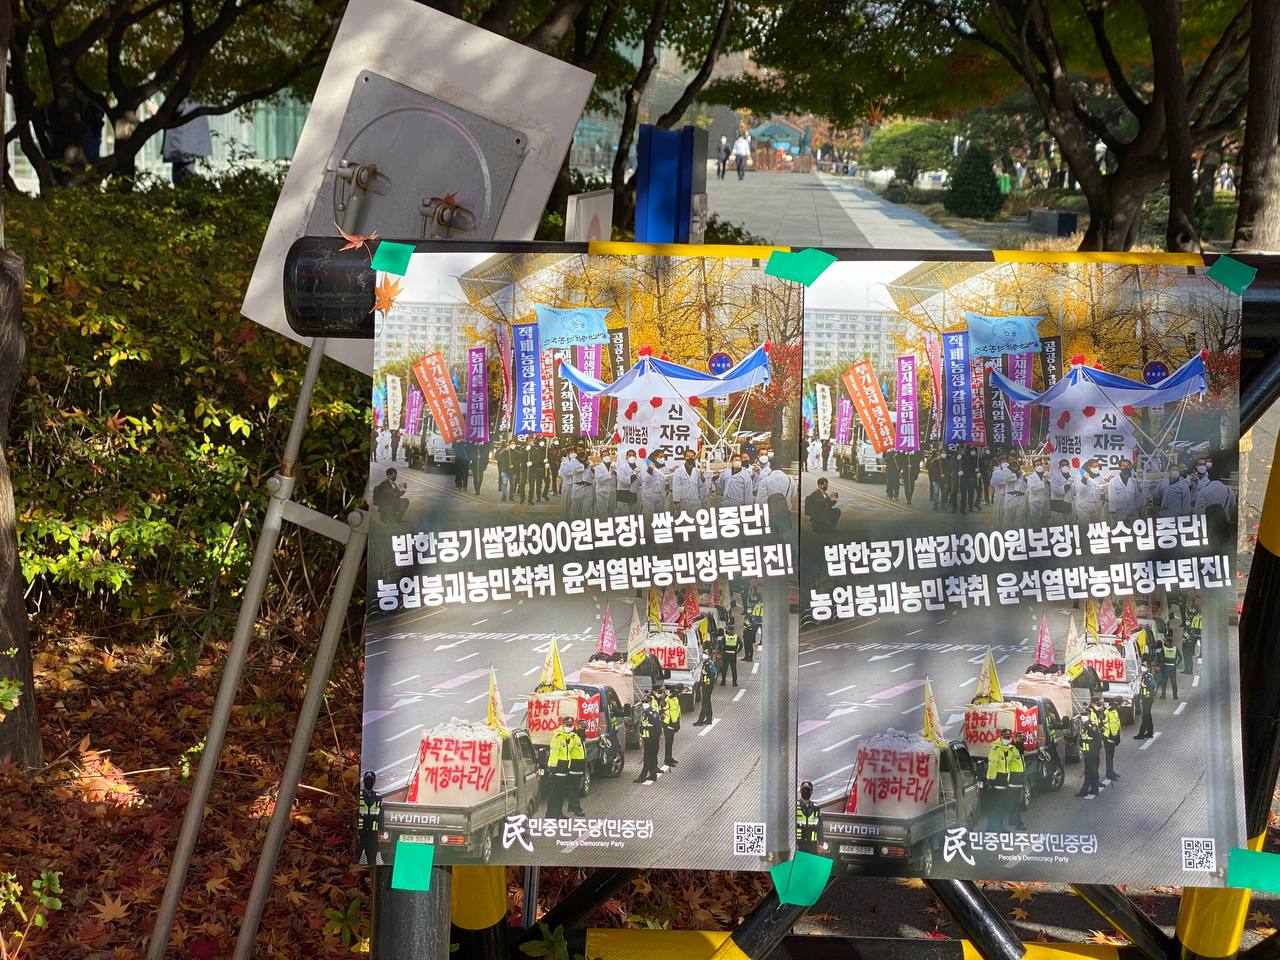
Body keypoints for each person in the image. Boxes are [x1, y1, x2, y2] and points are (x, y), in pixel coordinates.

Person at [984, 728, 1025, 830]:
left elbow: (1010, 763)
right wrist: (991, 781)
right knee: (996, 806)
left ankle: (997, 827)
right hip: (997, 781)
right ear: (1001, 736)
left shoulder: (1009, 749)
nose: (1007, 739)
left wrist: (1019, 746)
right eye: (1005, 737)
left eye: (1008, 737)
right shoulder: (996, 749)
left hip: (1005, 781)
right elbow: (992, 765)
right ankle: (993, 828)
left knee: (1000, 806)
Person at [546, 716, 585, 815]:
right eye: (567, 725)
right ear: (563, 724)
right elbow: (554, 753)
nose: (568, 727)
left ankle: (556, 813)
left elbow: (570, 753)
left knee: (560, 792)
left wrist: (568, 767)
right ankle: (554, 813)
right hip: (558, 768)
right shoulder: (558, 737)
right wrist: (552, 767)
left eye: (570, 725)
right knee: (557, 792)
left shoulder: (571, 737)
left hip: (565, 768)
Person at [358, 771, 384, 866]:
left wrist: (381, 832)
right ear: (363, 781)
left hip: (373, 834)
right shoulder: (359, 795)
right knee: (355, 859)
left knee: (372, 862)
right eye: (367, 780)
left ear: (374, 782)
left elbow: (381, 815)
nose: (369, 782)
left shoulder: (378, 797)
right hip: (359, 833)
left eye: (371, 780)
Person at [1106, 458, 1141, 523]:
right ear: (1120, 468)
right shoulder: (1113, 481)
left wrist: (1139, 509)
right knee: (1120, 528)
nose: (1126, 467)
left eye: (1128, 466)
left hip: (1132, 510)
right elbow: (1112, 497)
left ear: (1130, 467)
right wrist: (1112, 511)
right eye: (1123, 466)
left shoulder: (1134, 481)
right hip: (1119, 511)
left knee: (1133, 528)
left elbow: (1137, 496)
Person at [634, 703, 661, 784]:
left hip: (651, 740)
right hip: (650, 739)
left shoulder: (649, 715)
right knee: (652, 758)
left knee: (647, 758)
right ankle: (653, 775)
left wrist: (656, 737)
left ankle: (642, 776)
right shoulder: (652, 714)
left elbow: (657, 727)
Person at [1076, 715, 1102, 798]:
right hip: (1088, 754)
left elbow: (1098, 742)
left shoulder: (1092, 728)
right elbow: (1082, 740)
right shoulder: (1086, 728)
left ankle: (1086, 790)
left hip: (1092, 755)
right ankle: (1093, 789)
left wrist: (1094, 752)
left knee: (1090, 773)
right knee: (1090, 773)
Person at [1074, 459, 1107, 525]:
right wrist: (1084, 479)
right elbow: (1079, 490)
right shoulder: (1080, 475)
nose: (1097, 468)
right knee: (1084, 526)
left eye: (1098, 466)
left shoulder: (1098, 476)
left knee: (1096, 525)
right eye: (1095, 466)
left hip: (1096, 506)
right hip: (1083, 506)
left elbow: (1102, 488)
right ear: (1089, 467)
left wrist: (1107, 482)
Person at [796, 781, 822, 854]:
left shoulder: (816, 807)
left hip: (812, 843)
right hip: (798, 841)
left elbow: (820, 826)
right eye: (804, 790)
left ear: (811, 792)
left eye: (808, 790)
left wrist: (820, 843)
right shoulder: (795, 806)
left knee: (811, 860)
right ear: (800, 792)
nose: (806, 792)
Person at [1134, 664, 1157, 740]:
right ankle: (1150, 732)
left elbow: (1152, 687)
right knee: (1148, 715)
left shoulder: (1148, 677)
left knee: (1145, 716)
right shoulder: (1143, 677)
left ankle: (1141, 734)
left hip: (1148, 699)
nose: (1142, 671)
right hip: (1145, 699)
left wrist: (1148, 695)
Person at [661, 685, 681, 768]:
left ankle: (670, 757)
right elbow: (664, 704)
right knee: (668, 743)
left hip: (673, 724)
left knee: (670, 742)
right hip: (668, 724)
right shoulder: (667, 699)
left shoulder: (675, 699)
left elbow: (677, 711)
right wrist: (670, 696)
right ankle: (667, 760)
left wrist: (678, 723)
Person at [693, 655, 716, 725]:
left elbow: (705, 675)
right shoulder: (710, 663)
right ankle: (709, 719)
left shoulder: (706, 666)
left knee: (704, 703)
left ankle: (700, 721)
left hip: (707, 686)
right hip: (709, 685)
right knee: (708, 702)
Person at [1027, 458, 1051, 526]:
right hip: (1035, 502)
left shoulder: (1047, 475)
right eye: (1037, 465)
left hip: (1045, 501)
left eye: (1040, 464)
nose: (1039, 466)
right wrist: (1043, 482)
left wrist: (1049, 482)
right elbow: (1032, 488)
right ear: (1034, 467)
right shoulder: (1030, 477)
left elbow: (1051, 488)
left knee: (1045, 522)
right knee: (1036, 523)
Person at [1102, 701, 1121, 784]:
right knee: (1109, 756)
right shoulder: (1113, 712)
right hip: (1110, 737)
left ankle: (1111, 771)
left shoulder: (1111, 709)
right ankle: (1109, 774)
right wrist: (1116, 737)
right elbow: (1113, 726)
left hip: (1108, 736)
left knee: (1110, 756)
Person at [1158, 634, 1181, 699]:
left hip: (1165, 668)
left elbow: (1159, 657)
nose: (1165, 643)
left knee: (1164, 682)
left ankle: (1163, 695)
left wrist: (1161, 664)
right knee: (1173, 682)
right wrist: (1177, 664)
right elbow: (1180, 657)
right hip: (1173, 668)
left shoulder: (1164, 649)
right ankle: (1175, 696)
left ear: (1168, 642)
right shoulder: (1175, 649)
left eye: (1166, 641)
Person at [720, 621, 740, 686]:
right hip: (733, 655)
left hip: (726, 654)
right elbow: (741, 645)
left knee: (724, 669)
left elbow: (721, 644)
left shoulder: (725, 636)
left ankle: (723, 682)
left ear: (729, 630)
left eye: (727, 629)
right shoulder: (736, 637)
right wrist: (737, 651)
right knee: (733, 669)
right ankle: (734, 682)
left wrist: (722, 651)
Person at [1184, 602, 1201, 675]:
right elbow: (1193, 623)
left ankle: (1201, 654)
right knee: (1193, 643)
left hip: (1199, 631)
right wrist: (1191, 629)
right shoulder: (1195, 617)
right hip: (1195, 631)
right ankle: (1193, 652)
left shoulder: (1200, 617)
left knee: (1200, 643)